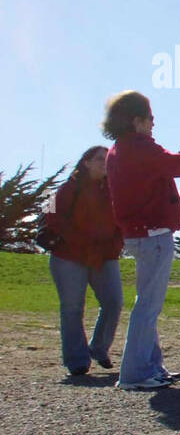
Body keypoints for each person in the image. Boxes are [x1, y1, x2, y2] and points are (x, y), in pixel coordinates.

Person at [102, 90, 180, 391]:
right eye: (150, 118)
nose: (153, 123)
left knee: (146, 304)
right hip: (154, 235)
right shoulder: (140, 147)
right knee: (147, 307)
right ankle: (135, 374)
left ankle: (150, 367)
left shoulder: (120, 149)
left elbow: (166, 164)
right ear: (136, 121)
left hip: (139, 234)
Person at [45, 146, 124, 376]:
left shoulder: (114, 189)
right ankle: (77, 361)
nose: (105, 162)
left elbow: (122, 220)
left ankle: (98, 348)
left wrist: (115, 245)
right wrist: (80, 243)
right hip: (68, 256)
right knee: (72, 308)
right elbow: (51, 217)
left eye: (108, 159)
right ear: (86, 162)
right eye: (100, 159)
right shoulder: (66, 188)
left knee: (114, 302)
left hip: (105, 256)